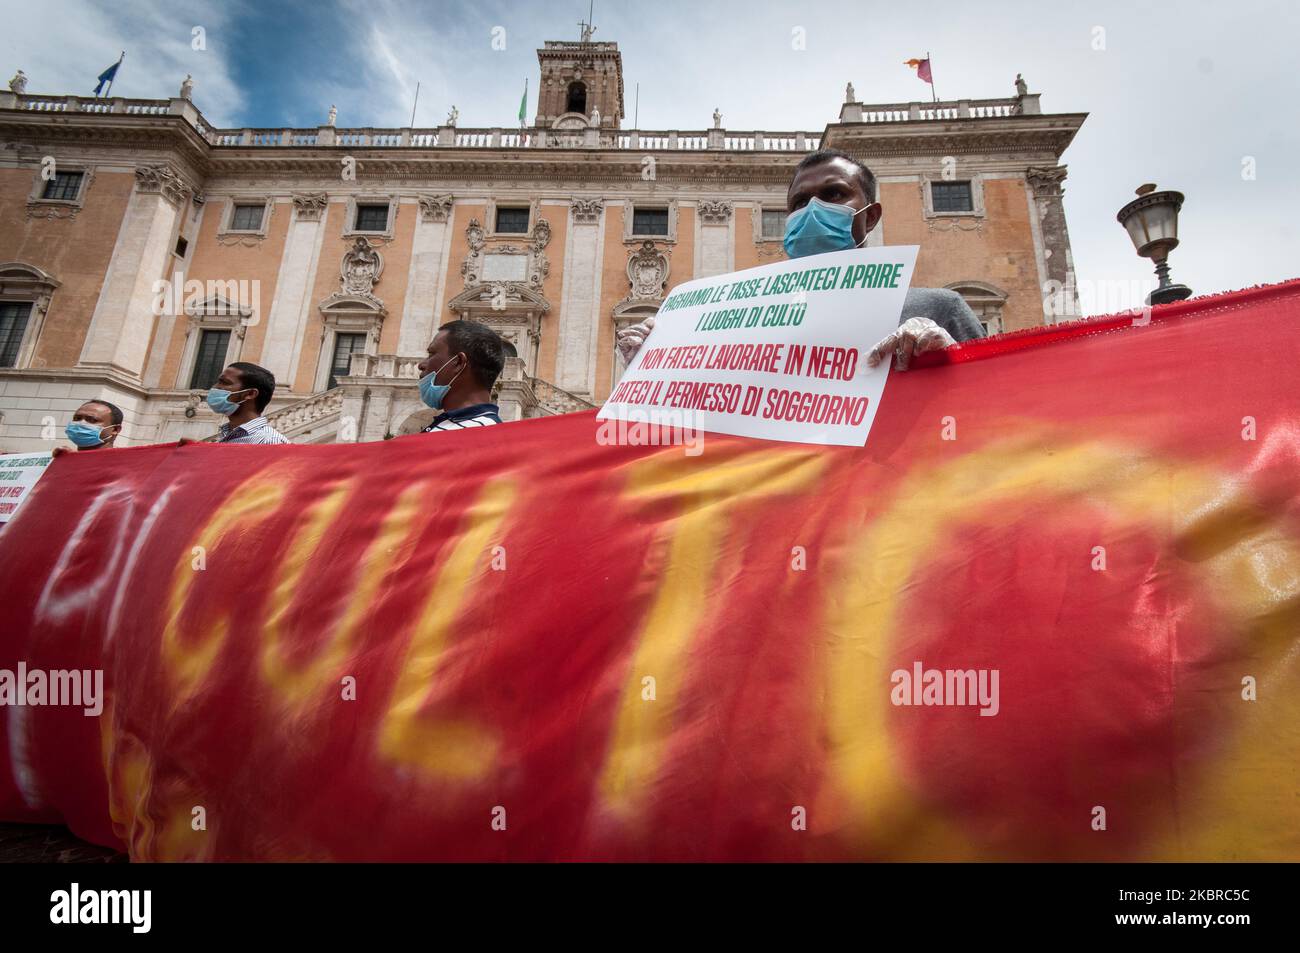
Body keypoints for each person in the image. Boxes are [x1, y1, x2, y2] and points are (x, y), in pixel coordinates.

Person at [617, 148, 986, 372]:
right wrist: (653, 366)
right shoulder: (749, 327)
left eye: (834, 194)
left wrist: (953, 359)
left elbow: (1004, 420)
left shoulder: (940, 310)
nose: (813, 209)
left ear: (870, 217)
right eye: (799, 202)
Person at [415, 320, 505, 432]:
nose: (421, 365)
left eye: (431, 354)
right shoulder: (486, 431)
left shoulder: (473, 435)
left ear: (458, 362)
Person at [208, 362, 290, 444]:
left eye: (224, 382)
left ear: (250, 394)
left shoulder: (270, 442)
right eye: (218, 382)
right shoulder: (224, 436)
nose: (215, 387)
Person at [52, 400, 124, 457]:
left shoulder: (124, 465)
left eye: (92, 420)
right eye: (77, 418)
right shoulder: (61, 459)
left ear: (115, 430)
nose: (81, 423)